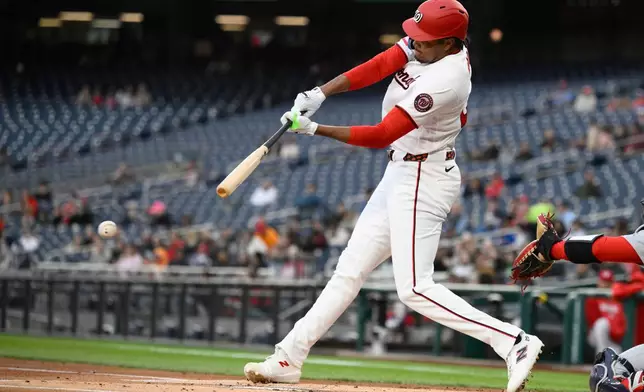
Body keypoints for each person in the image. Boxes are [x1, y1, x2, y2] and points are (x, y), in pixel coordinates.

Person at [243, 1, 544, 391]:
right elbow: (383, 63)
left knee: (415, 288)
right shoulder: (432, 43)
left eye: (423, 41)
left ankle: (514, 342)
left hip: (424, 174)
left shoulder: (448, 78)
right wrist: (321, 91)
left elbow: (383, 133)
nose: (413, 44)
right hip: (401, 170)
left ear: (451, 42)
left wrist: (314, 128)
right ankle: (288, 356)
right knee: (348, 270)